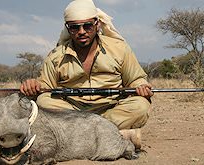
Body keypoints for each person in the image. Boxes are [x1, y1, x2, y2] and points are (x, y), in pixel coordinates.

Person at [20, 0, 153, 150]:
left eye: (87, 26)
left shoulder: (119, 49)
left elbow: (136, 79)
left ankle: (77, 137)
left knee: (140, 105)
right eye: (74, 27)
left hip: (111, 109)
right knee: (44, 101)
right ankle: (115, 135)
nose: (81, 31)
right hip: (71, 112)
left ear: (97, 24)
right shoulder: (55, 56)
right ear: (68, 28)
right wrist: (32, 87)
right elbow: (45, 88)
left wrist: (141, 87)